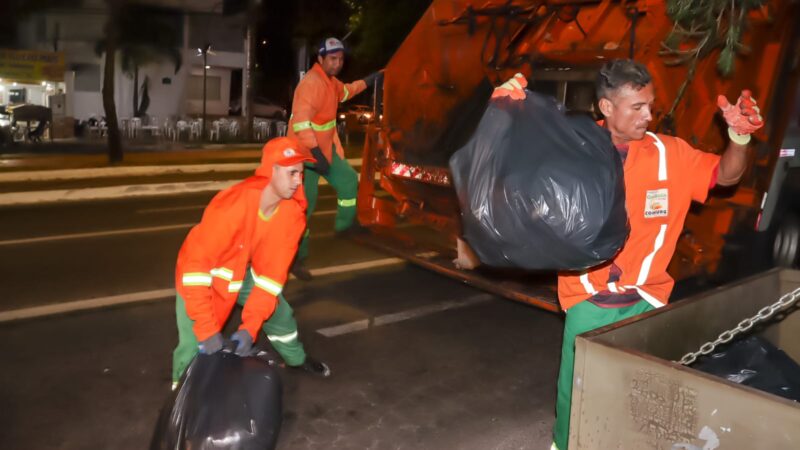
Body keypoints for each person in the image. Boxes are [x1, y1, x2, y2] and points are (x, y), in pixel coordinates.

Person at [459, 61, 762, 450]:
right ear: (606, 108)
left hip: (648, 300)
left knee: (639, 396)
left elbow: (726, 176)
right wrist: (504, 115)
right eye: (636, 107)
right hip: (589, 300)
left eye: (650, 105)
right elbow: (510, 174)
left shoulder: (670, 153)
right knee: (578, 394)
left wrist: (738, 138)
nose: (648, 115)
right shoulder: (572, 147)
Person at [172, 136, 332, 390]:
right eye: (291, 173)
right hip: (204, 270)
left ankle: (295, 358)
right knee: (193, 344)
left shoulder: (292, 217)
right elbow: (196, 268)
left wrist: (250, 328)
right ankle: (181, 398)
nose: (298, 181)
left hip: (244, 269)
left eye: (300, 174)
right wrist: (206, 328)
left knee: (280, 314)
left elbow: (270, 280)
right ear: (272, 171)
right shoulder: (233, 205)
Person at [287, 36, 381, 280]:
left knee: (349, 181)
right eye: (332, 59)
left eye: (340, 59)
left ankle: (344, 225)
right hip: (304, 156)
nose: (337, 63)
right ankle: (297, 259)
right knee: (303, 210)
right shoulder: (311, 83)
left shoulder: (331, 83)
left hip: (324, 153)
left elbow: (347, 91)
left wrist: (368, 81)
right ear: (320, 59)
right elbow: (301, 122)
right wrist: (316, 154)